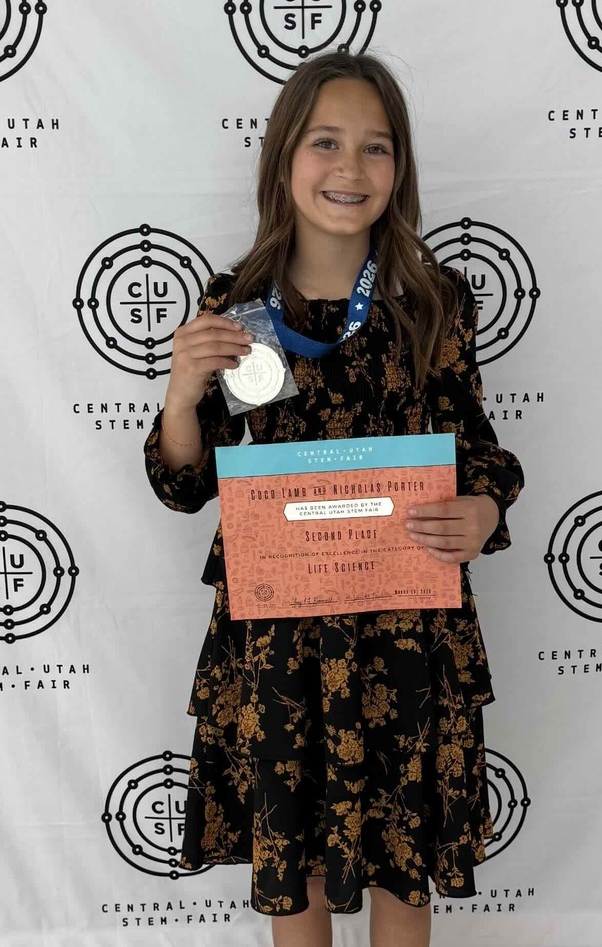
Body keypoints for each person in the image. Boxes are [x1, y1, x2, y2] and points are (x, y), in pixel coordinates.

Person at [143, 49, 524, 947]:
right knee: (299, 865)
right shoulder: (233, 309)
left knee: (404, 858)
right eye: (325, 143)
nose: (350, 169)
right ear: (283, 158)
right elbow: (183, 484)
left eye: (376, 148)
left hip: (405, 635)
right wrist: (178, 396)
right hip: (282, 640)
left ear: (401, 170)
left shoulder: (434, 304)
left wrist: (487, 510)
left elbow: (482, 451)